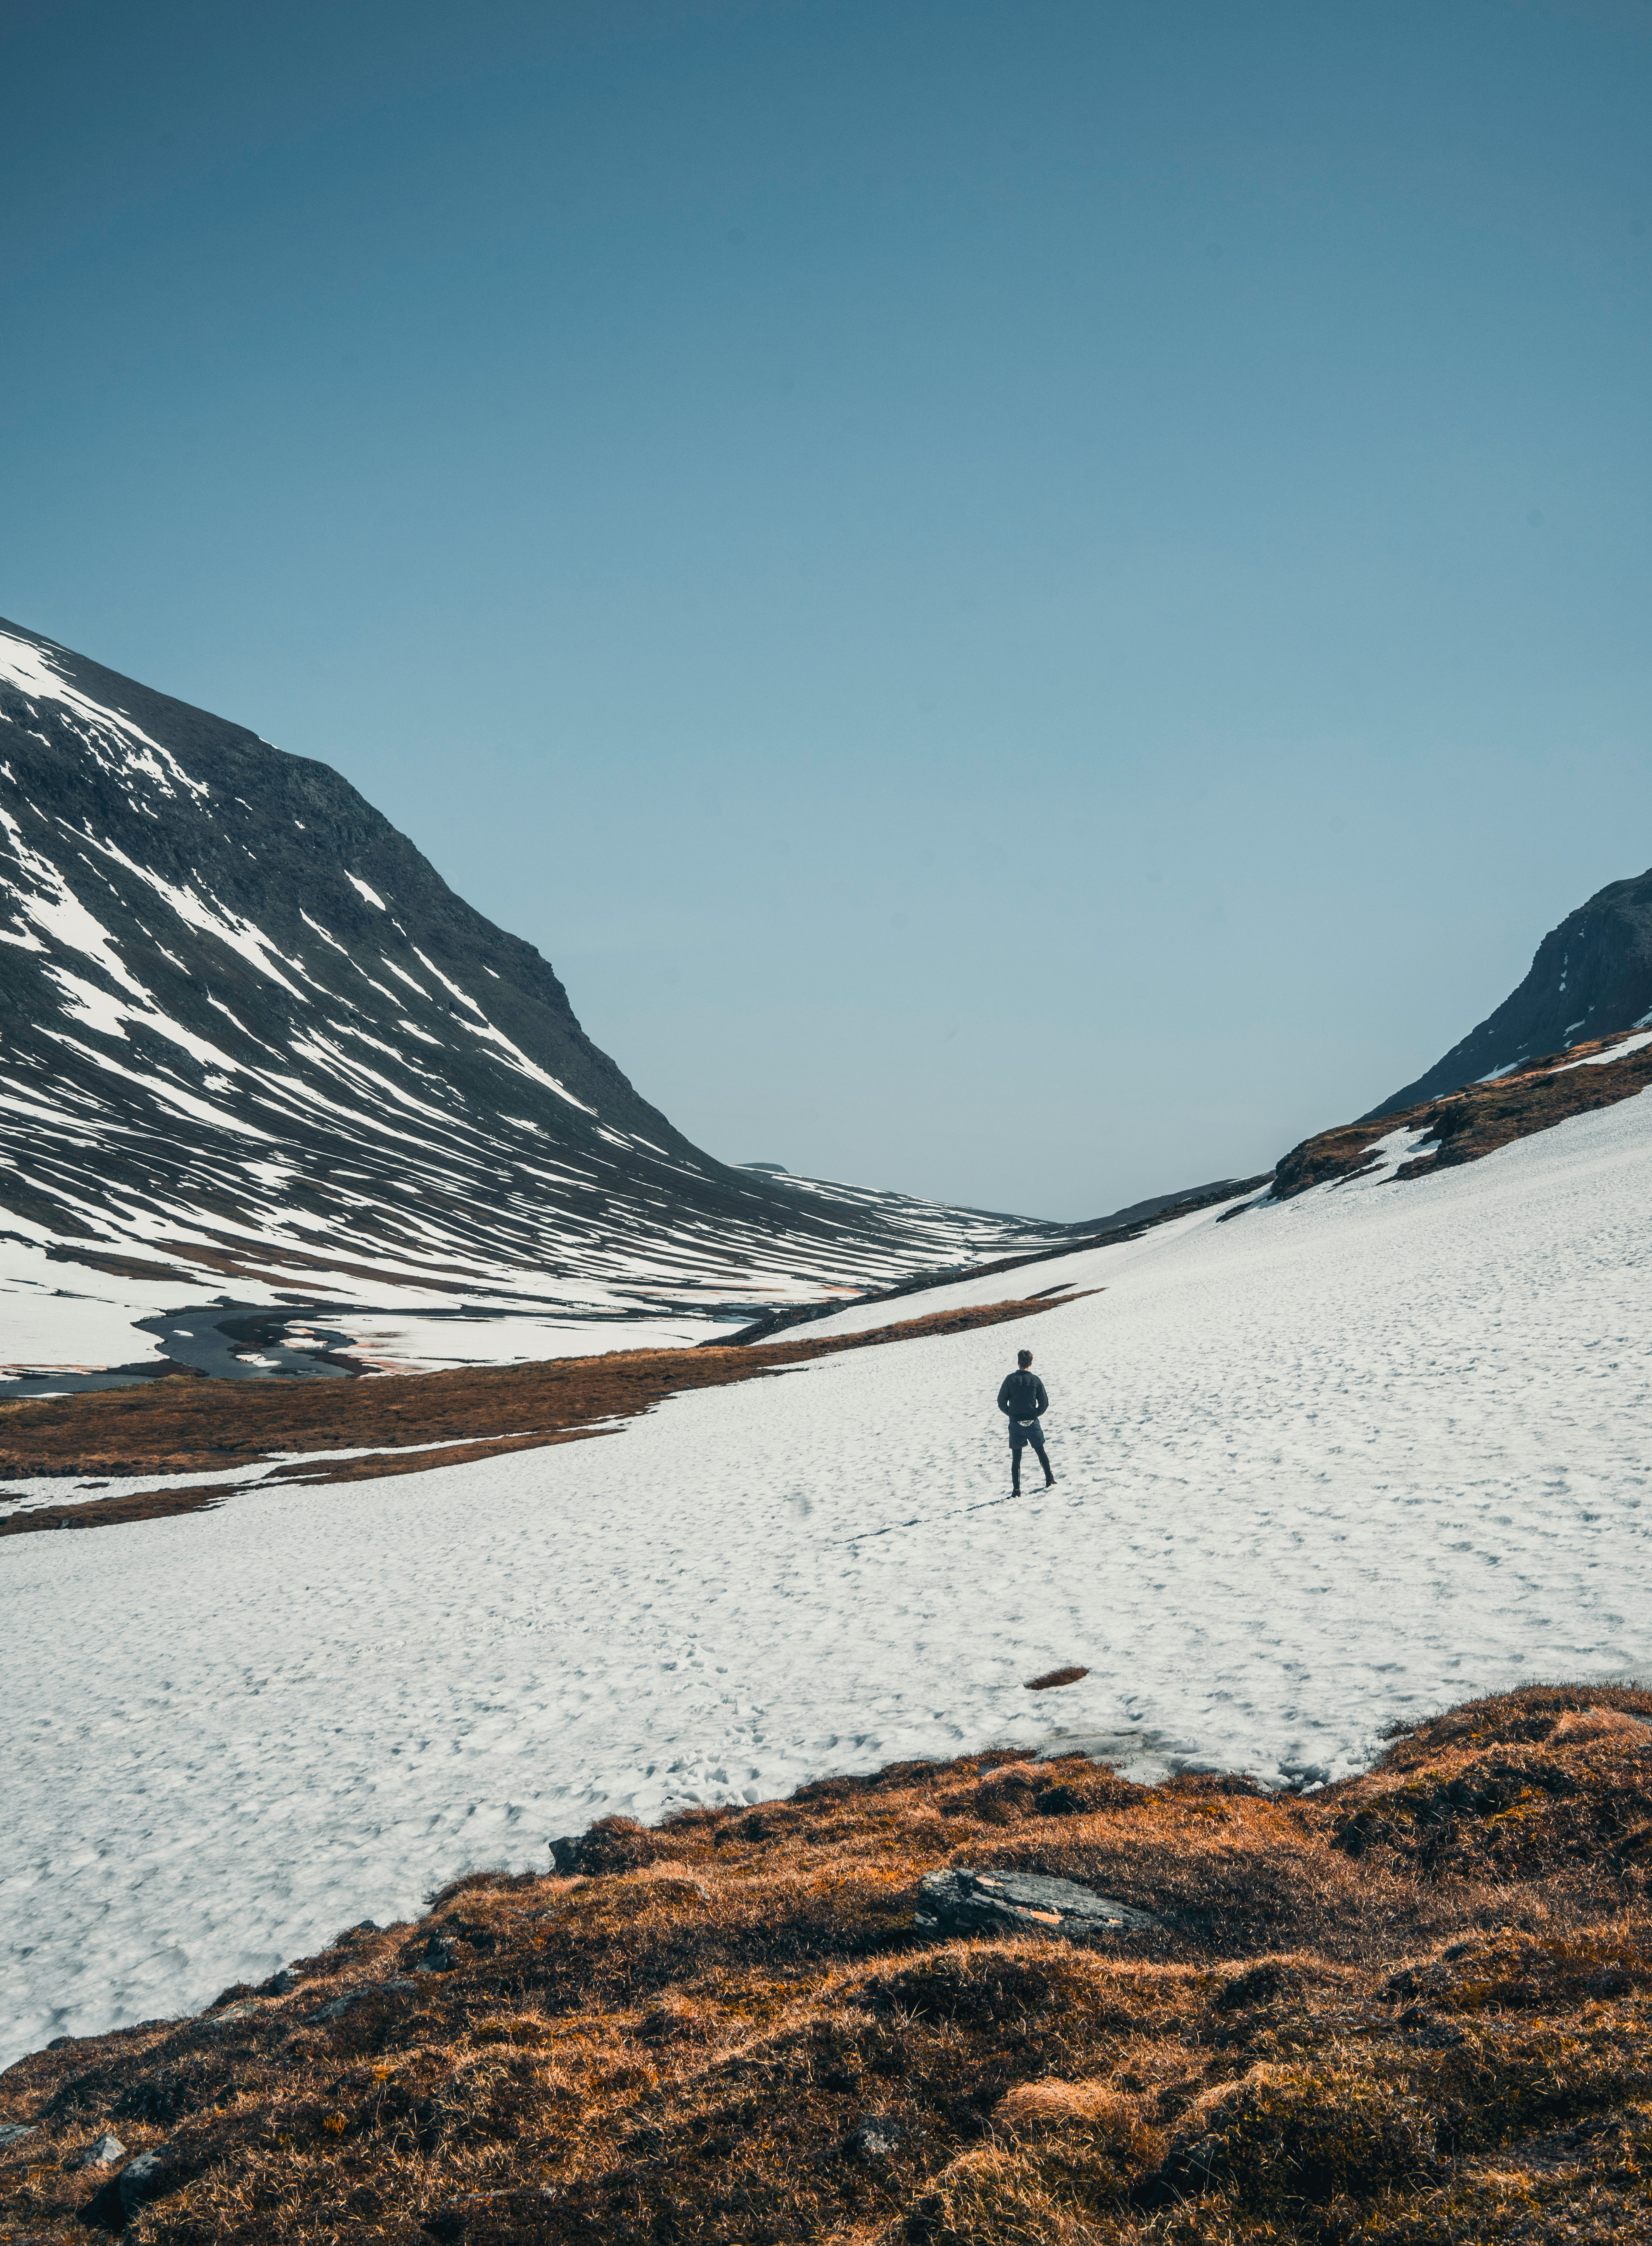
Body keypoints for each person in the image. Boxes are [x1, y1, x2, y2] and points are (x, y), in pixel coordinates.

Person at [997, 1347, 1054, 1493]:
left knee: (1016, 1459)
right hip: (1033, 1423)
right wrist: (1035, 1414)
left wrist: (1012, 1414)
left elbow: (1001, 1402)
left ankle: (1016, 1490)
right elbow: (1045, 1403)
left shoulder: (1010, 1379)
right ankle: (1050, 1479)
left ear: (1018, 1363)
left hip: (1016, 1425)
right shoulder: (1035, 1380)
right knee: (1041, 1452)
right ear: (1031, 1364)